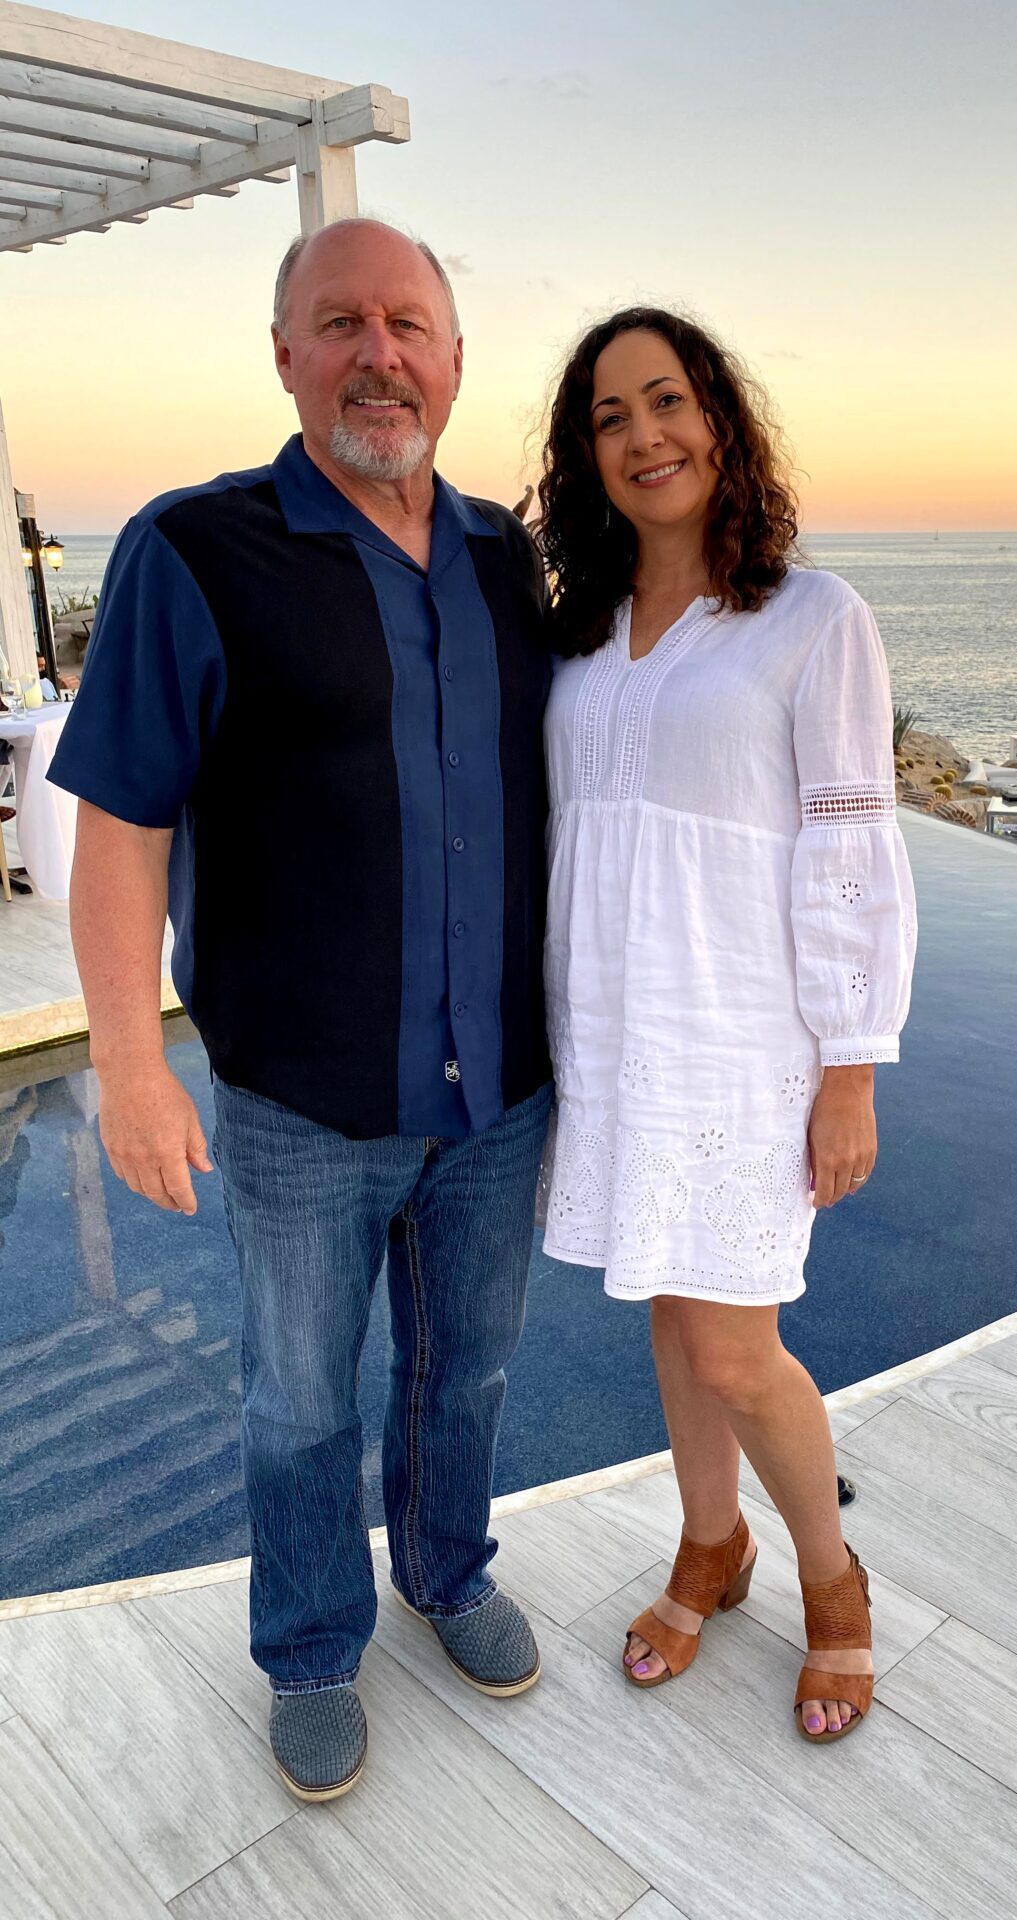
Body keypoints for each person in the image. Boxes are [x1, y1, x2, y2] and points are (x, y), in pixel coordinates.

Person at [49, 221, 554, 1803]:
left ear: (457, 364)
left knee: (464, 1373)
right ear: (286, 355)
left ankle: (448, 1572)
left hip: (498, 1100)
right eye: (341, 323)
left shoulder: (503, 559)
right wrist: (131, 1063)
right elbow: (123, 823)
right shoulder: (193, 551)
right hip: (296, 1104)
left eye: (411, 324)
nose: (379, 353)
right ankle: (316, 1644)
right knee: (294, 1403)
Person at [537, 307, 915, 1744]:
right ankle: (712, 1544)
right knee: (669, 1308)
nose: (644, 436)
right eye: (611, 416)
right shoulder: (577, 634)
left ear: (721, 420)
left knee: (737, 1348)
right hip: (617, 1036)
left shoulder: (811, 620)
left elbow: (851, 852)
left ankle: (834, 1578)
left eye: (668, 401)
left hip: (743, 1040)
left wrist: (850, 1066)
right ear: (586, 456)